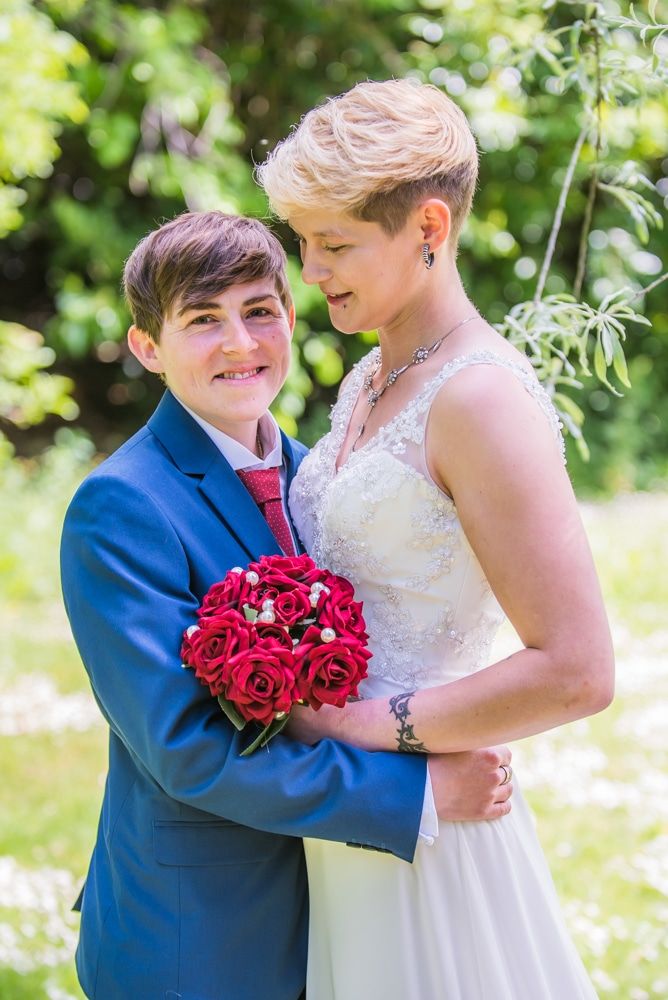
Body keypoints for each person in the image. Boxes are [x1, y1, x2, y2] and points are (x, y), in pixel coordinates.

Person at [60, 210, 515, 1000]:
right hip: (202, 931)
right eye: (203, 321)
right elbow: (187, 751)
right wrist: (420, 795)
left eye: (259, 311)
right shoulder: (122, 507)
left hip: (353, 910)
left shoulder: (324, 483)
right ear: (147, 347)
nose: (240, 343)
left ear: (291, 318)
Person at [257, 78, 614, 999]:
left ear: (427, 226)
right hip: (350, 813)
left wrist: (366, 729)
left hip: (432, 816)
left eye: (333, 244)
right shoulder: (371, 379)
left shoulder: (480, 399)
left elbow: (578, 669)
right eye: (305, 241)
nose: (310, 270)